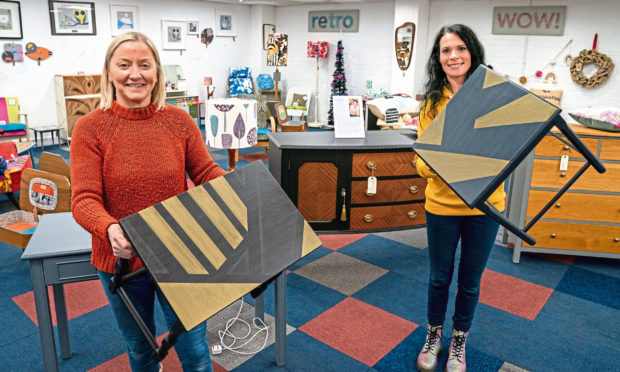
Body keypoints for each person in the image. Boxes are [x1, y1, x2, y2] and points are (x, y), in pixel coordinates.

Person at [71, 31, 226, 372]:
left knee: (197, 352)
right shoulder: (90, 128)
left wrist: (246, 189)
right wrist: (109, 227)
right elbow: (84, 199)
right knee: (140, 350)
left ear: (157, 71)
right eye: (124, 65)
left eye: (144, 64)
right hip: (121, 262)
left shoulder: (179, 121)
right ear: (109, 72)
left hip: (179, 253)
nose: (135, 74)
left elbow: (205, 171)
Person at [414, 24, 505, 372]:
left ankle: (459, 340)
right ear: (438, 59)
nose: (454, 56)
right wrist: (433, 165)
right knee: (439, 276)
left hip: (485, 203)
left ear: (473, 52)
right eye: (446, 50)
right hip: (443, 205)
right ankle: (434, 335)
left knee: (470, 279)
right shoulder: (432, 103)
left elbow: (504, 148)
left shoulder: (493, 96)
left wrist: (455, 156)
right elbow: (423, 157)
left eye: (461, 48)